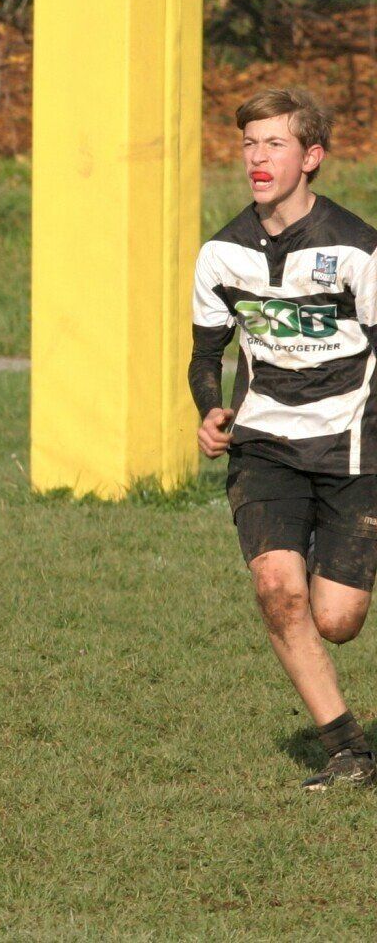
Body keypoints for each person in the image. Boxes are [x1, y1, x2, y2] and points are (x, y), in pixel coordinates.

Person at [191, 87, 377, 790]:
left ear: (312, 156)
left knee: (337, 619)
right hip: (265, 443)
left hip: (353, 445)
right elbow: (205, 357)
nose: (257, 158)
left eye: (274, 143)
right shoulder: (222, 254)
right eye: (249, 144)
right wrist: (210, 409)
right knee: (277, 589)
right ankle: (348, 750)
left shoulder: (359, 250)